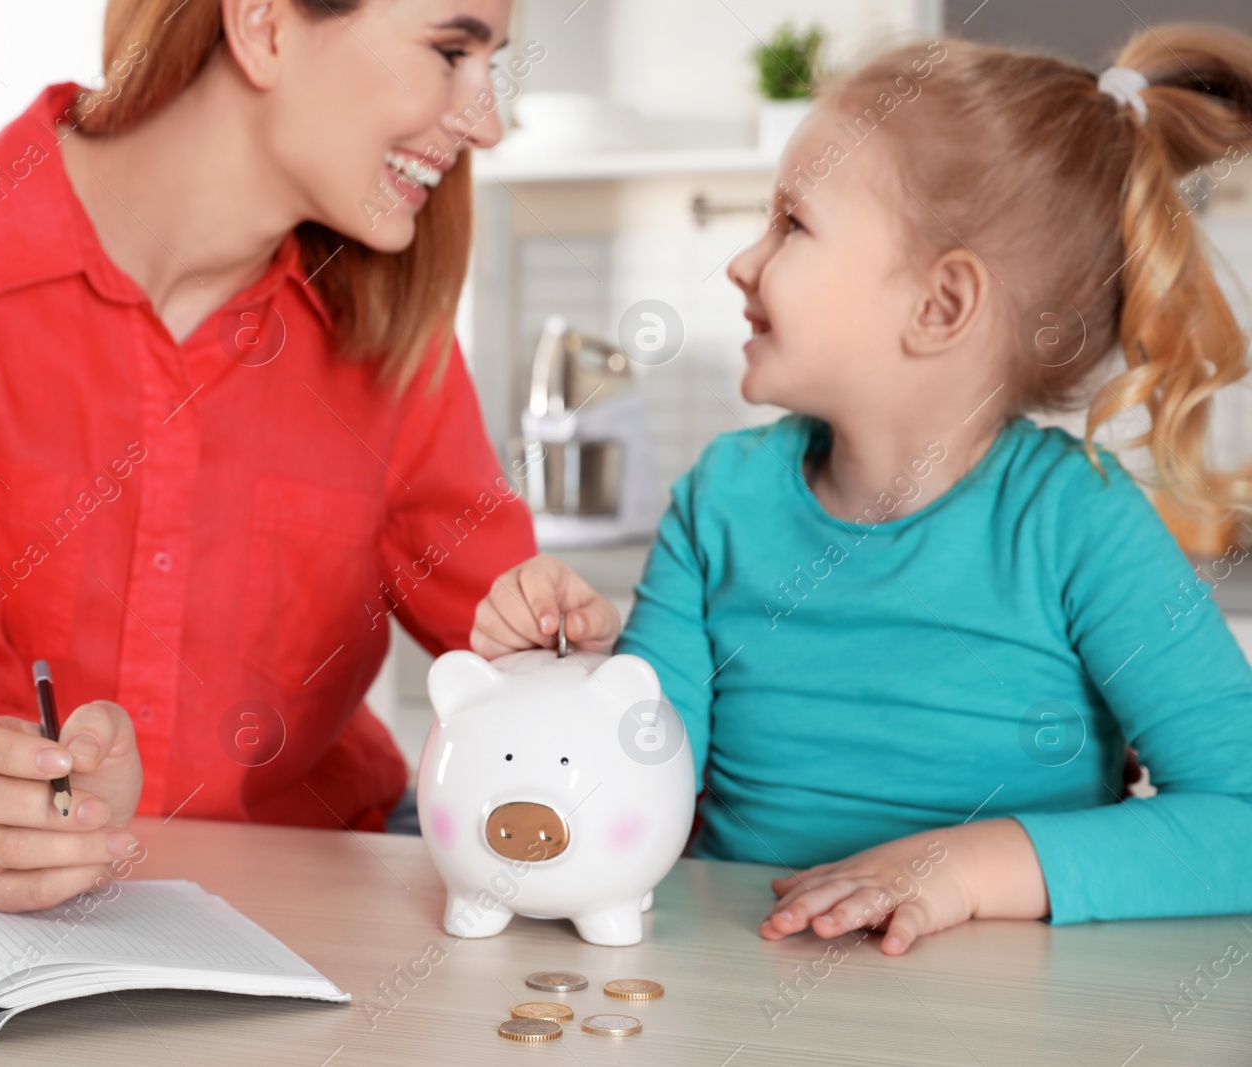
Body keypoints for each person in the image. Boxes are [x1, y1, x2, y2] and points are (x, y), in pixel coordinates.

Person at [0, 0, 588, 912]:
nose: (487, 120)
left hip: (317, 903)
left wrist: (574, 646)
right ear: (263, 26)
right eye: (451, 51)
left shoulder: (394, 339)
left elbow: (528, 664)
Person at [475, 24, 1252, 957]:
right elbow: (632, 786)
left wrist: (962, 869)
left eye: (792, 223)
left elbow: (1238, 819)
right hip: (735, 975)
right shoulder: (718, 501)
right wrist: (571, 673)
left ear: (941, 306)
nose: (741, 262)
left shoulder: (1077, 523)